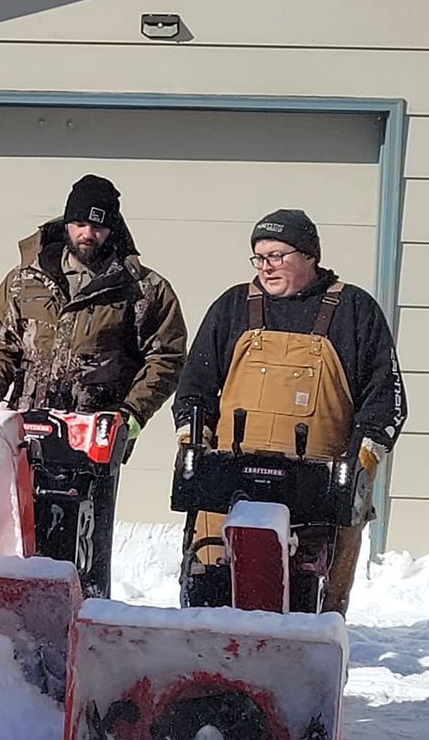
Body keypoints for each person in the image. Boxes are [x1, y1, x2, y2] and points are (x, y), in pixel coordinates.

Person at [172, 208, 407, 613]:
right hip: (228, 488)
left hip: (318, 494)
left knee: (309, 611)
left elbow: (385, 401)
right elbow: (194, 388)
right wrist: (194, 444)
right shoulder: (233, 307)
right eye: (259, 258)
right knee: (209, 604)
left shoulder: (354, 311)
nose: (266, 267)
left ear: (309, 255)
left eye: (277, 256)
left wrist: (358, 465)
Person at [0, 173, 187, 434]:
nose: (88, 234)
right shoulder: (24, 279)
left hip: (93, 434)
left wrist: (132, 413)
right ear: (67, 223)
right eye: (80, 223)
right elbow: (0, 346)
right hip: (24, 429)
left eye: (98, 227)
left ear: (112, 230)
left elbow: (166, 357)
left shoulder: (143, 288)